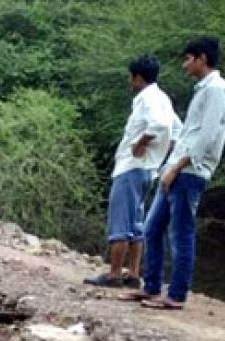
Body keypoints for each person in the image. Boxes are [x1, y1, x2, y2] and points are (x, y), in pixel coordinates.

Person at [126, 37, 225, 310]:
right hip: (177, 168)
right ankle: (150, 288)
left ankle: (176, 295)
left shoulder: (216, 89)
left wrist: (177, 166)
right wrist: (169, 166)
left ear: (202, 59)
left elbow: (207, 136)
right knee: (152, 228)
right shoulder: (205, 89)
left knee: (180, 233)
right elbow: (190, 131)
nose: (185, 65)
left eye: (188, 59)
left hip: (190, 171)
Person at [84, 54, 180, 289]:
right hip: (149, 168)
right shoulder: (163, 98)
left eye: (131, 77)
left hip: (132, 166)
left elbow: (159, 125)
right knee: (136, 223)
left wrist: (141, 143)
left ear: (137, 77)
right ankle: (134, 272)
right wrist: (162, 153)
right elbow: (177, 130)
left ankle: (115, 273)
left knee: (120, 221)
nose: (130, 82)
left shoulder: (146, 99)